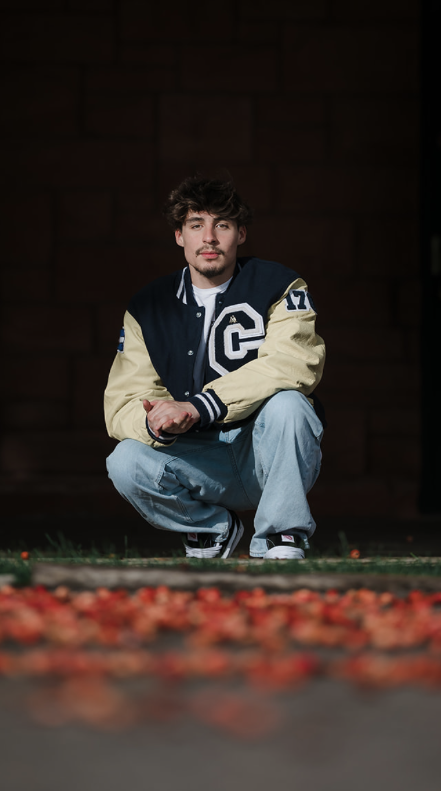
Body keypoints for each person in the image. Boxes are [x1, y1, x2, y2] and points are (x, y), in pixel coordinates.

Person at [104, 176, 326, 561]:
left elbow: (293, 365)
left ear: (240, 234)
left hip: (263, 453)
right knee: (124, 460)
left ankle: (281, 534)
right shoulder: (148, 306)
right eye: (196, 225)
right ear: (179, 236)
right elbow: (123, 403)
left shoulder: (280, 285)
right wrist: (158, 421)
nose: (209, 237)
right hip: (197, 460)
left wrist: (198, 406)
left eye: (221, 224)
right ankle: (211, 529)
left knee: (290, 404)